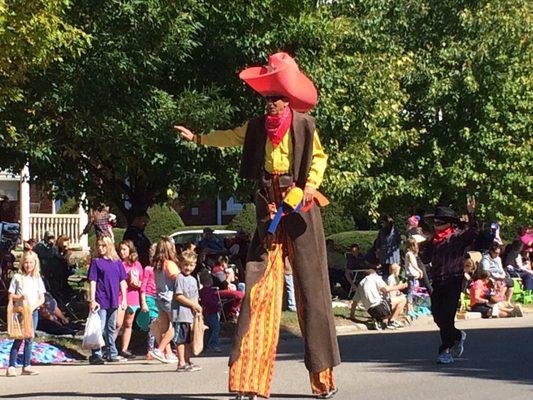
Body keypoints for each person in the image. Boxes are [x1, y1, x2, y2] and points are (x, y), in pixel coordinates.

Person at [175, 52, 340, 399]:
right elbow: (230, 137)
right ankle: (249, 381)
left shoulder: (304, 125)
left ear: (288, 100)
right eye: (267, 99)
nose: (271, 104)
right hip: (270, 212)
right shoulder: (255, 128)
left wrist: (308, 185)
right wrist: (199, 139)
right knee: (259, 292)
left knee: (312, 291)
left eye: (276, 99)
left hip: (300, 212)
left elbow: (320, 158)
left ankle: (322, 380)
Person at [421, 199, 479, 364]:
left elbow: (474, 232)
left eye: (439, 222)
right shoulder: (434, 240)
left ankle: (445, 350)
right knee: (437, 316)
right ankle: (458, 335)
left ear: (448, 224)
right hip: (438, 281)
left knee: (447, 316)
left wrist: (471, 213)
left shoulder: (457, 237)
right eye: (435, 222)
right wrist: (422, 248)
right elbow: (425, 258)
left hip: (453, 280)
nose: (436, 224)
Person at [87, 237, 128, 365]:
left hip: (113, 298)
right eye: (99, 246)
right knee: (99, 326)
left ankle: (112, 352)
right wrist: (92, 299)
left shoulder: (117, 263)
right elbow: (92, 281)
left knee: (111, 327)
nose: (100, 248)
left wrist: (124, 299)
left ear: (109, 246)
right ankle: (96, 353)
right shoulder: (96, 262)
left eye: (103, 245)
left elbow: (122, 281)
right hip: (101, 298)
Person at [6, 251, 46, 377]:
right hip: (20, 312)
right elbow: (10, 295)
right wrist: (20, 297)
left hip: (33, 312)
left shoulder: (37, 278)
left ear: (35, 264)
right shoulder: (18, 277)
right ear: (22, 263)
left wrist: (34, 306)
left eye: (31, 262)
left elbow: (42, 298)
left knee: (29, 338)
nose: (28, 265)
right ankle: (11, 366)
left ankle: (26, 366)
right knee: (18, 338)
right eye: (26, 262)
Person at [149, 237, 180, 363]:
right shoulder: (169, 264)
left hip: (160, 297)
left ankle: (168, 353)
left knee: (164, 327)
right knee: (175, 326)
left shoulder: (158, 265)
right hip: (170, 298)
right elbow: (176, 277)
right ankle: (159, 350)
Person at [173, 250, 202, 372]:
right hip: (181, 314)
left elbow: (195, 296)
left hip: (190, 315)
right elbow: (178, 296)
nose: (188, 268)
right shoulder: (180, 278)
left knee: (188, 339)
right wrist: (192, 305)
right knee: (181, 339)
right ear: (180, 264)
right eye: (185, 265)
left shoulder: (193, 279)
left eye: (191, 265)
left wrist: (198, 308)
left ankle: (188, 360)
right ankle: (181, 362)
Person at [116, 240, 144, 359]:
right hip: (121, 296)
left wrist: (137, 284)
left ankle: (124, 349)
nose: (122, 252)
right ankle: (109, 348)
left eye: (124, 249)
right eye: (120, 249)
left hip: (133, 297)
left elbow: (142, 280)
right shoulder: (118, 264)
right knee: (117, 323)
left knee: (128, 324)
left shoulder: (136, 264)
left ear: (130, 250)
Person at [199, 271, 222, 352]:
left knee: (208, 329)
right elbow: (210, 302)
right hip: (212, 311)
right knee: (215, 328)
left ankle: (205, 344)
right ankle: (213, 344)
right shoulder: (209, 291)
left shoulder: (202, 291)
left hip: (206, 312)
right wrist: (217, 305)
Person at [404, 237, 424, 315]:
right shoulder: (409, 254)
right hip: (411, 275)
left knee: (412, 292)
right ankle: (409, 309)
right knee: (410, 292)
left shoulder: (408, 254)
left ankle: (411, 308)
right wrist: (420, 270)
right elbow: (413, 264)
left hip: (411, 275)